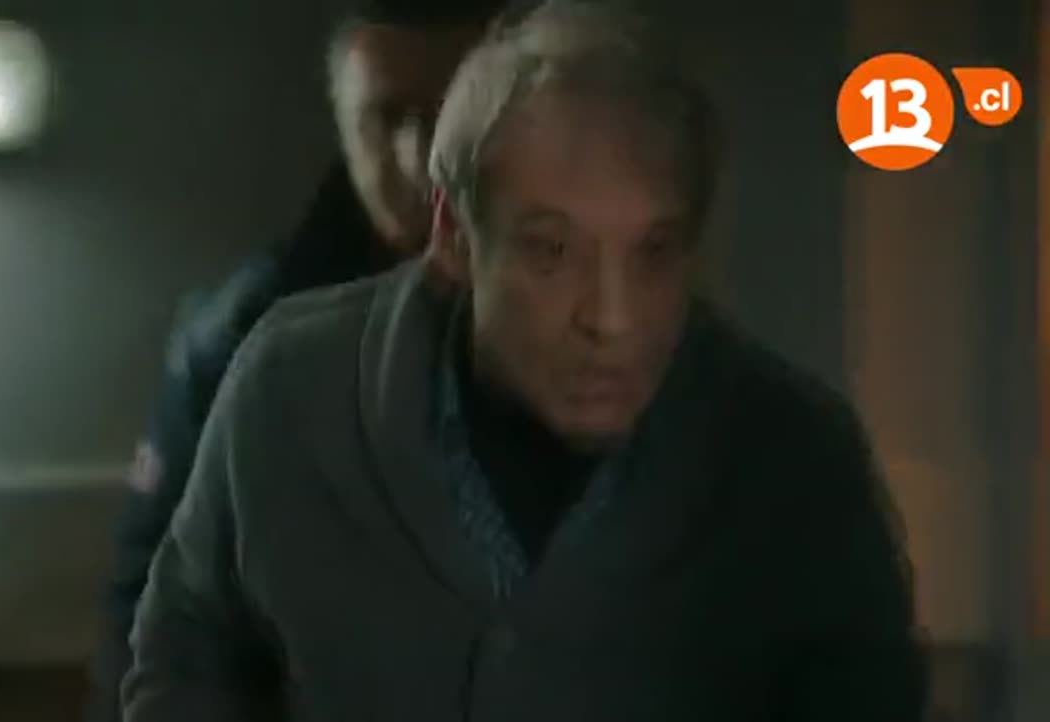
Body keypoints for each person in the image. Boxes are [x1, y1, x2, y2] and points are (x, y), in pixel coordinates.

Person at [123, 2, 928, 721]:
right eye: (551, 251)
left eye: (654, 253)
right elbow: (188, 652)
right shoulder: (291, 390)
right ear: (454, 235)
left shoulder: (797, 459)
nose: (611, 320)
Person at [83, 2, 507, 721]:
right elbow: (148, 613)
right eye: (386, 118)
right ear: (344, 121)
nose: (419, 158)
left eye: (447, 116)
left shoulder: (586, 325)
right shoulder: (245, 338)